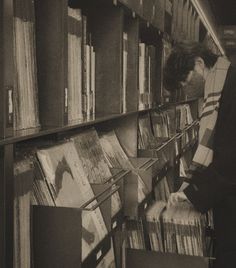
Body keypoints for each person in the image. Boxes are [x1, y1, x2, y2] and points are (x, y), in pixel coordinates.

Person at [164, 42, 236, 268]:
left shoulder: (231, 88)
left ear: (199, 63)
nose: (186, 89)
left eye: (186, 81)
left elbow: (230, 158)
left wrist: (193, 192)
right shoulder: (221, 85)